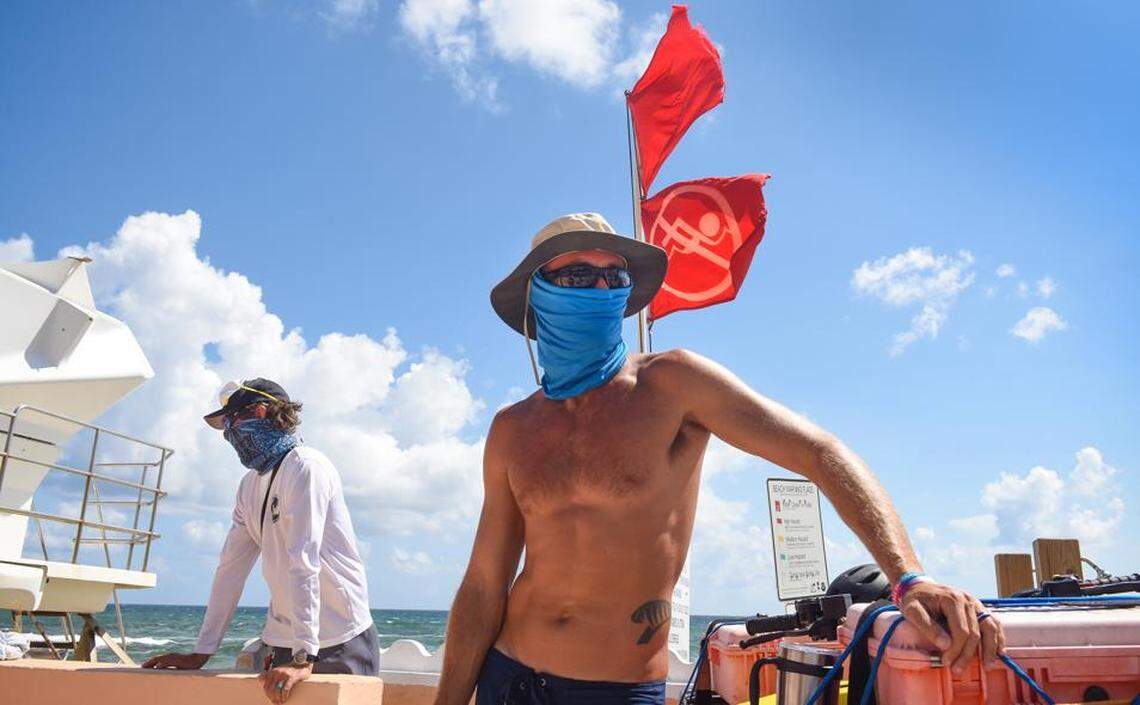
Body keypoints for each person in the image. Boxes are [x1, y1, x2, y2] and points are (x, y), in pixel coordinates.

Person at [434, 213, 1006, 705]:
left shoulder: (671, 386)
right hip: (507, 678)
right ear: (541, 294)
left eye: (615, 277)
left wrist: (909, 578)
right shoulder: (513, 429)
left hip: (612, 689)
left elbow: (820, 450)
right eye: (580, 276)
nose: (602, 288)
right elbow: (485, 582)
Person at [142, 379, 378, 704]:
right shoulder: (248, 487)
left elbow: (303, 560)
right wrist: (202, 651)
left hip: (339, 637)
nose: (228, 435)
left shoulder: (306, 468)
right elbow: (230, 570)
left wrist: (303, 657)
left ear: (261, 412)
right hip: (284, 641)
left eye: (231, 421)